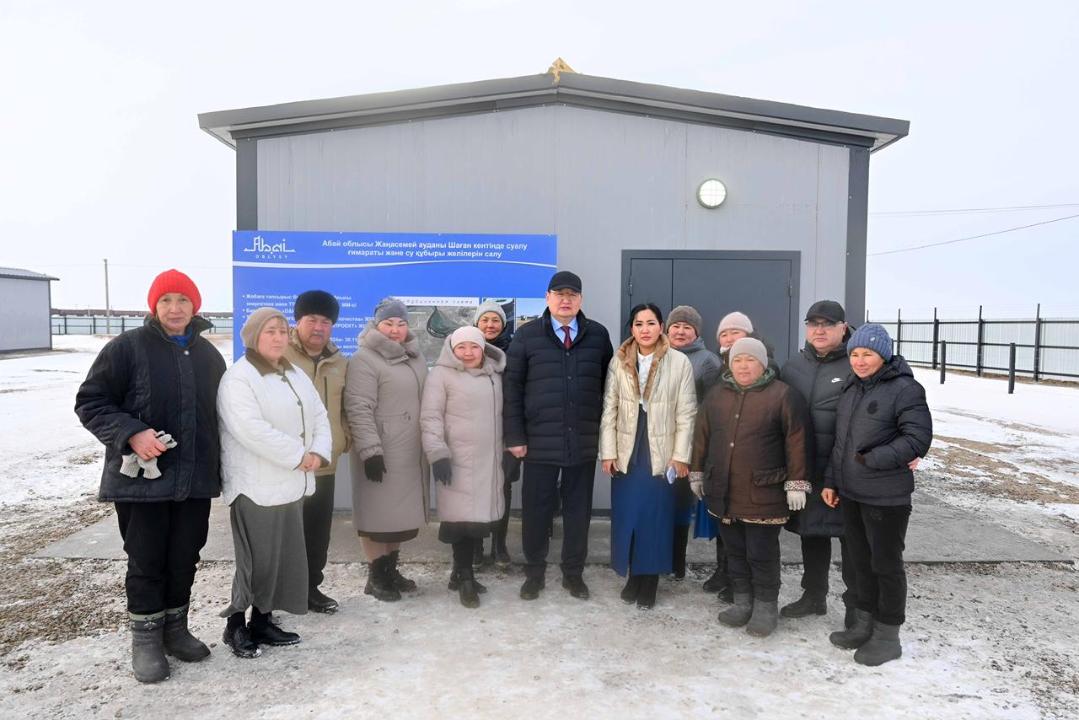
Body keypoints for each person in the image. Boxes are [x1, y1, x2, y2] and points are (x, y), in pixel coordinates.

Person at [75, 269, 225, 683]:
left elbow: (219, 419)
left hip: (194, 482)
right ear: (153, 307)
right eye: (166, 301)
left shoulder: (210, 356)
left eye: (183, 300)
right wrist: (132, 433)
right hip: (142, 482)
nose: (175, 308)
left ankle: (176, 630)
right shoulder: (127, 348)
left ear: (196, 306)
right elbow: (91, 402)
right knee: (146, 559)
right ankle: (145, 639)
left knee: (185, 557)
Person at [217, 307, 332, 658]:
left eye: (283, 331)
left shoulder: (294, 373)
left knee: (281, 557)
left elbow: (319, 415)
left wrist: (318, 452)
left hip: (290, 482)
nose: (279, 337)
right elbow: (251, 429)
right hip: (256, 485)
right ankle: (235, 624)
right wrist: (300, 455)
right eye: (270, 331)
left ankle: (262, 620)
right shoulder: (239, 377)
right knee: (256, 560)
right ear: (253, 337)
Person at [823, 323, 932, 666]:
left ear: (883, 355)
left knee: (885, 565)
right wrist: (832, 481)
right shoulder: (852, 389)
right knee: (859, 563)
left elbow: (918, 438)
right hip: (852, 494)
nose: (859, 360)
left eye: (867, 354)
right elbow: (841, 445)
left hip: (886, 497)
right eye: (854, 354)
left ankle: (888, 635)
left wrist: (875, 459)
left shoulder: (906, 389)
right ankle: (863, 622)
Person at [503, 270, 613, 601]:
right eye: (559, 294)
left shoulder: (597, 335)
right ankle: (534, 572)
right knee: (536, 510)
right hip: (538, 442)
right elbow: (512, 389)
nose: (566, 300)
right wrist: (514, 436)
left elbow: (611, 388)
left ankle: (573, 573)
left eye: (572, 294)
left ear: (580, 300)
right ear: (548, 298)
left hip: (581, 440)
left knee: (578, 511)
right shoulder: (527, 336)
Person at [689, 337, 810, 637]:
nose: (744, 366)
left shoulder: (783, 396)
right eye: (738, 360)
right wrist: (696, 472)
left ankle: (766, 606)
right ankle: (743, 602)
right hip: (724, 490)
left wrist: (797, 483)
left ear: (763, 363)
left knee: (761, 553)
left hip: (764, 493)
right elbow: (701, 437)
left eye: (750, 360)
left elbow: (797, 442)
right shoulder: (717, 396)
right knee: (735, 552)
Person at [600, 304, 696, 609]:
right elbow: (609, 407)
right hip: (628, 447)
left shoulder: (679, 362)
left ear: (661, 327)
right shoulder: (619, 360)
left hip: (660, 448)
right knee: (629, 515)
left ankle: (649, 579)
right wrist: (608, 451)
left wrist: (681, 456)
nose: (645, 329)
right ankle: (633, 575)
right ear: (632, 328)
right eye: (638, 323)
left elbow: (687, 412)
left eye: (651, 323)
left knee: (654, 517)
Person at [778, 300, 857, 626]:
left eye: (828, 324)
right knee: (813, 534)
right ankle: (814, 596)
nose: (820, 330)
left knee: (852, 541)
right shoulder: (793, 366)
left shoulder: (857, 363)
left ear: (843, 327)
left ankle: (857, 608)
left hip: (846, 471)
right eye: (814, 324)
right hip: (807, 468)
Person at [345, 298, 429, 602]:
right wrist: (370, 450)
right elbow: (358, 407)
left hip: (409, 451)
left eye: (401, 323)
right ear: (376, 324)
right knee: (375, 516)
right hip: (381, 450)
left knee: (397, 518)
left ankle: (391, 569)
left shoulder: (414, 357)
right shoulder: (364, 359)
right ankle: (375, 575)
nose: (395, 330)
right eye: (389, 323)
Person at [420, 326, 507, 608]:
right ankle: (466, 575)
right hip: (456, 459)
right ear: (452, 349)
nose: (468, 353)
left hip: (488, 461)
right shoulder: (441, 375)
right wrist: (437, 453)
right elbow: (431, 416)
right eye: (462, 347)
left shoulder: (494, 374)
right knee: (461, 521)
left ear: (483, 348)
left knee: (477, 519)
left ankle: (460, 573)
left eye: (474, 347)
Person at [284, 290, 350, 614]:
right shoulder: (277, 356)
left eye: (326, 321)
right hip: (286, 464)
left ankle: (311, 587)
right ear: (298, 320)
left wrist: (343, 441)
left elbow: (346, 410)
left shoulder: (339, 362)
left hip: (324, 463)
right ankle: (281, 591)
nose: (319, 327)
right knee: (284, 531)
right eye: (312, 319)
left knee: (317, 530)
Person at [666, 305, 721, 581]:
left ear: (697, 332)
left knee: (678, 507)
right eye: (676, 325)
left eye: (687, 327)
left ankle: (676, 564)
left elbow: (713, 408)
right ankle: (657, 560)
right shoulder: (658, 354)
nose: (680, 331)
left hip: (686, 449)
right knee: (658, 505)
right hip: (657, 446)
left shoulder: (707, 361)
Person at [472, 300, 517, 566]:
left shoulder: (514, 351)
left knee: (503, 490)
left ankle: (499, 545)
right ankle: (476, 545)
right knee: (475, 490)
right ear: (477, 323)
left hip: (504, 433)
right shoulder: (465, 350)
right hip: (474, 435)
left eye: (495, 320)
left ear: (503, 324)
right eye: (485, 320)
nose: (490, 325)